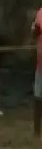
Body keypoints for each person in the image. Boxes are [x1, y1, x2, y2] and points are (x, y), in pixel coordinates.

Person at [32, 8, 42, 139]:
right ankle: (37, 130)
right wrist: (36, 31)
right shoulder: (40, 13)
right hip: (41, 64)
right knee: (38, 95)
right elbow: (33, 31)